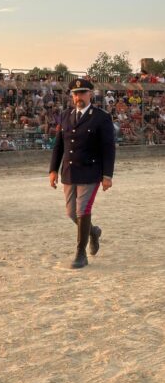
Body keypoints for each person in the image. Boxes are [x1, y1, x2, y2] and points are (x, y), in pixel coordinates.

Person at [49, 78, 115, 269]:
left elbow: (108, 148)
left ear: (90, 94)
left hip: (90, 171)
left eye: (82, 93)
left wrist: (107, 175)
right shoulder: (65, 115)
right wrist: (53, 169)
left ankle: (81, 253)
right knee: (71, 213)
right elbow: (59, 145)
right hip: (69, 171)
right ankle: (93, 231)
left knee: (82, 210)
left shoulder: (101, 117)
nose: (78, 97)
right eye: (75, 94)